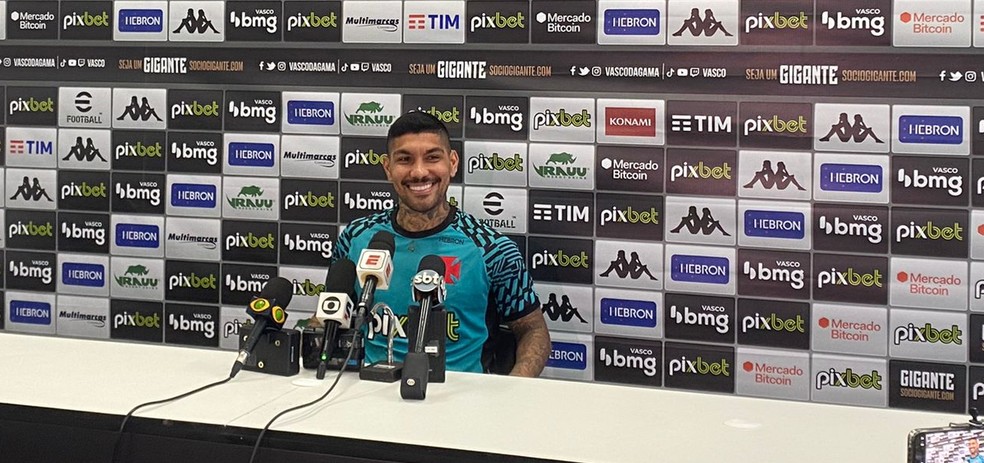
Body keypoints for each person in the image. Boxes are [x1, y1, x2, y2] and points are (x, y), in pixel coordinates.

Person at [330, 111, 551, 377]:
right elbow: (331, 316)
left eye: (432, 157)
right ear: (388, 168)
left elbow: (533, 330)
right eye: (404, 159)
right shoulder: (355, 237)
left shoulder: (491, 249)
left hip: (464, 397)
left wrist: (513, 389)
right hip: (369, 391)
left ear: (453, 163)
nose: (419, 172)